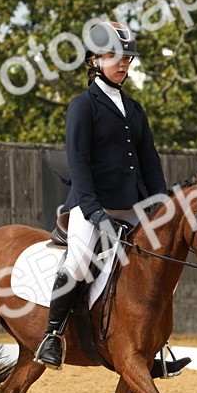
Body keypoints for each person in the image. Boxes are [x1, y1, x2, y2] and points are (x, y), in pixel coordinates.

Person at [33, 20, 169, 369]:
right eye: (114, 56)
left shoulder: (134, 108)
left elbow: (150, 162)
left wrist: (160, 204)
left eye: (127, 58)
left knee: (160, 261)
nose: (123, 63)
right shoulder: (83, 105)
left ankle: (155, 344)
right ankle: (52, 335)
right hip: (92, 205)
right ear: (94, 60)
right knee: (79, 263)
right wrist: (94, 211)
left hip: (132, 206)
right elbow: (78, 162)